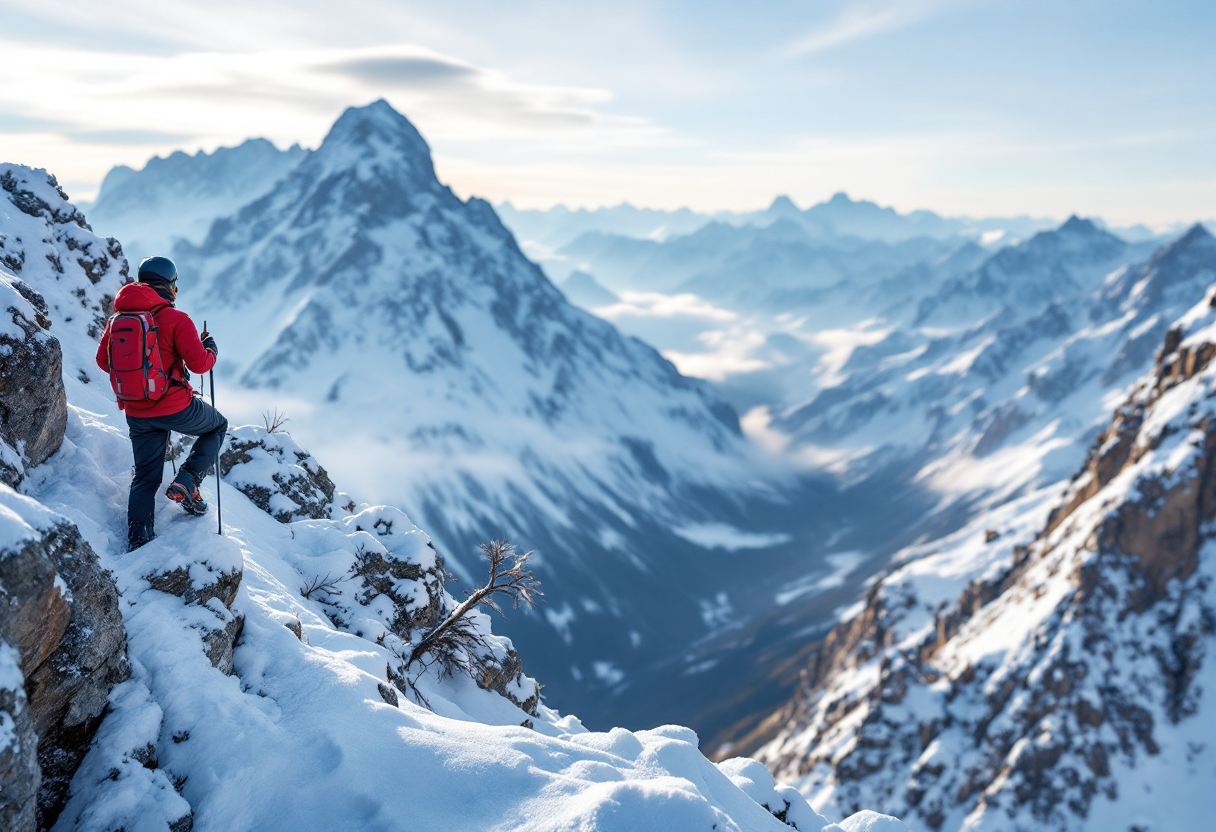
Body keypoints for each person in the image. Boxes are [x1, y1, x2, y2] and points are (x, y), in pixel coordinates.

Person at [96, 256, 227, 550]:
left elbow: (103, 361)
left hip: (136, 411)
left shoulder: (117, 320)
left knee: (145, 478)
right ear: (170, 285)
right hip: (175, 407)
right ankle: (188, 480)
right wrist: (211, 349)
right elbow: (200, 364)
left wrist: (139, 381)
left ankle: (139, 541)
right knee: (217, 426)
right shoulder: (177, 319)